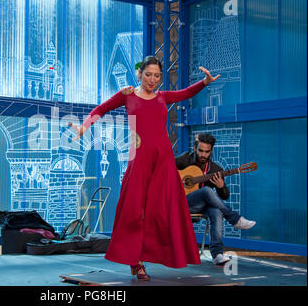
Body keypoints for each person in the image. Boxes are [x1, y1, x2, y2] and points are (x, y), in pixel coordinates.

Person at [69, 56, 220, 280]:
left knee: (161, 211)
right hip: (138, 157)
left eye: (157, 76)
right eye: (148, 74)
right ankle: (135, 261)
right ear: (140, 73)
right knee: (134, 210)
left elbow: (185, 93)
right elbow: (102, 108)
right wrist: (83, 127)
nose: (152, 79)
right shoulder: (127, 95)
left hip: (163, 160)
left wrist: (205, 83)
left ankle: (159, 253)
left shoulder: (163, 97)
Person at [175, 133, 256, 265]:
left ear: (211, 151)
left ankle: (217, 254)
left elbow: (225, 196)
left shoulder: (215, 169)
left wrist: (221, 186)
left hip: (199, 207)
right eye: (200, 150)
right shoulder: (185, 159)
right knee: (207, 190)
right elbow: (164, 167)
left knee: (216, 211)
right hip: (180, 203)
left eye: (207, 152)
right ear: (195, 148)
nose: (203, 155)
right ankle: (235, 219)